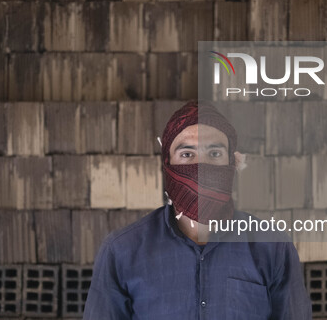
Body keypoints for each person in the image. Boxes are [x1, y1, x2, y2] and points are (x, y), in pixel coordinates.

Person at [83, 100, 312, 319]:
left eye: (214, 154)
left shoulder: (273, 248)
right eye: (187, 154)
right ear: (167, 164)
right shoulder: (122, 251)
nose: (201, 168)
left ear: (231, 164)